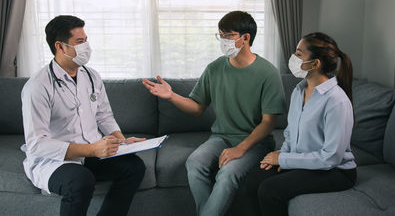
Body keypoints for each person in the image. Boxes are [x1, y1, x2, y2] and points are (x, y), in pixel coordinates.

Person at [142, 11, 286, 216]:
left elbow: (269, 122)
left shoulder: (268, 73)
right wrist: (171, 95)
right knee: (194, 162)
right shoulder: (215, 68)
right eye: (221, 35)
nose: (223, 41)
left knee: (228, 173)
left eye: (228, 35)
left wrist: (240, 149)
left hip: (256, 142)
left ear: (245, 38)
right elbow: (197, 108)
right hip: (221, 137)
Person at [21, 15, 146, 216]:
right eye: (79, 42)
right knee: (80, 181)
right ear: (60, 47)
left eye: (86, 40)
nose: (86, 46)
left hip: (91, 150)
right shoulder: (38, 86)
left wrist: (121, 142)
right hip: (54, 160)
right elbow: (37, 144)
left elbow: (104, 116)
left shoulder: (91, 76)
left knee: (134, 167)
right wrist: (92, 150)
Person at [238, 32, 357, 216]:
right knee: (253, 179)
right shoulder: (299, 90)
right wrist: (283, 155)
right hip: (304, 162)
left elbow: (331, 157)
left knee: (270, 190)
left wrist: (284, 160)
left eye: (299, 54)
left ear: (316, 63)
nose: (293, 58)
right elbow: (290, 133)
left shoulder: (336, 101)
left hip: (335, 171)